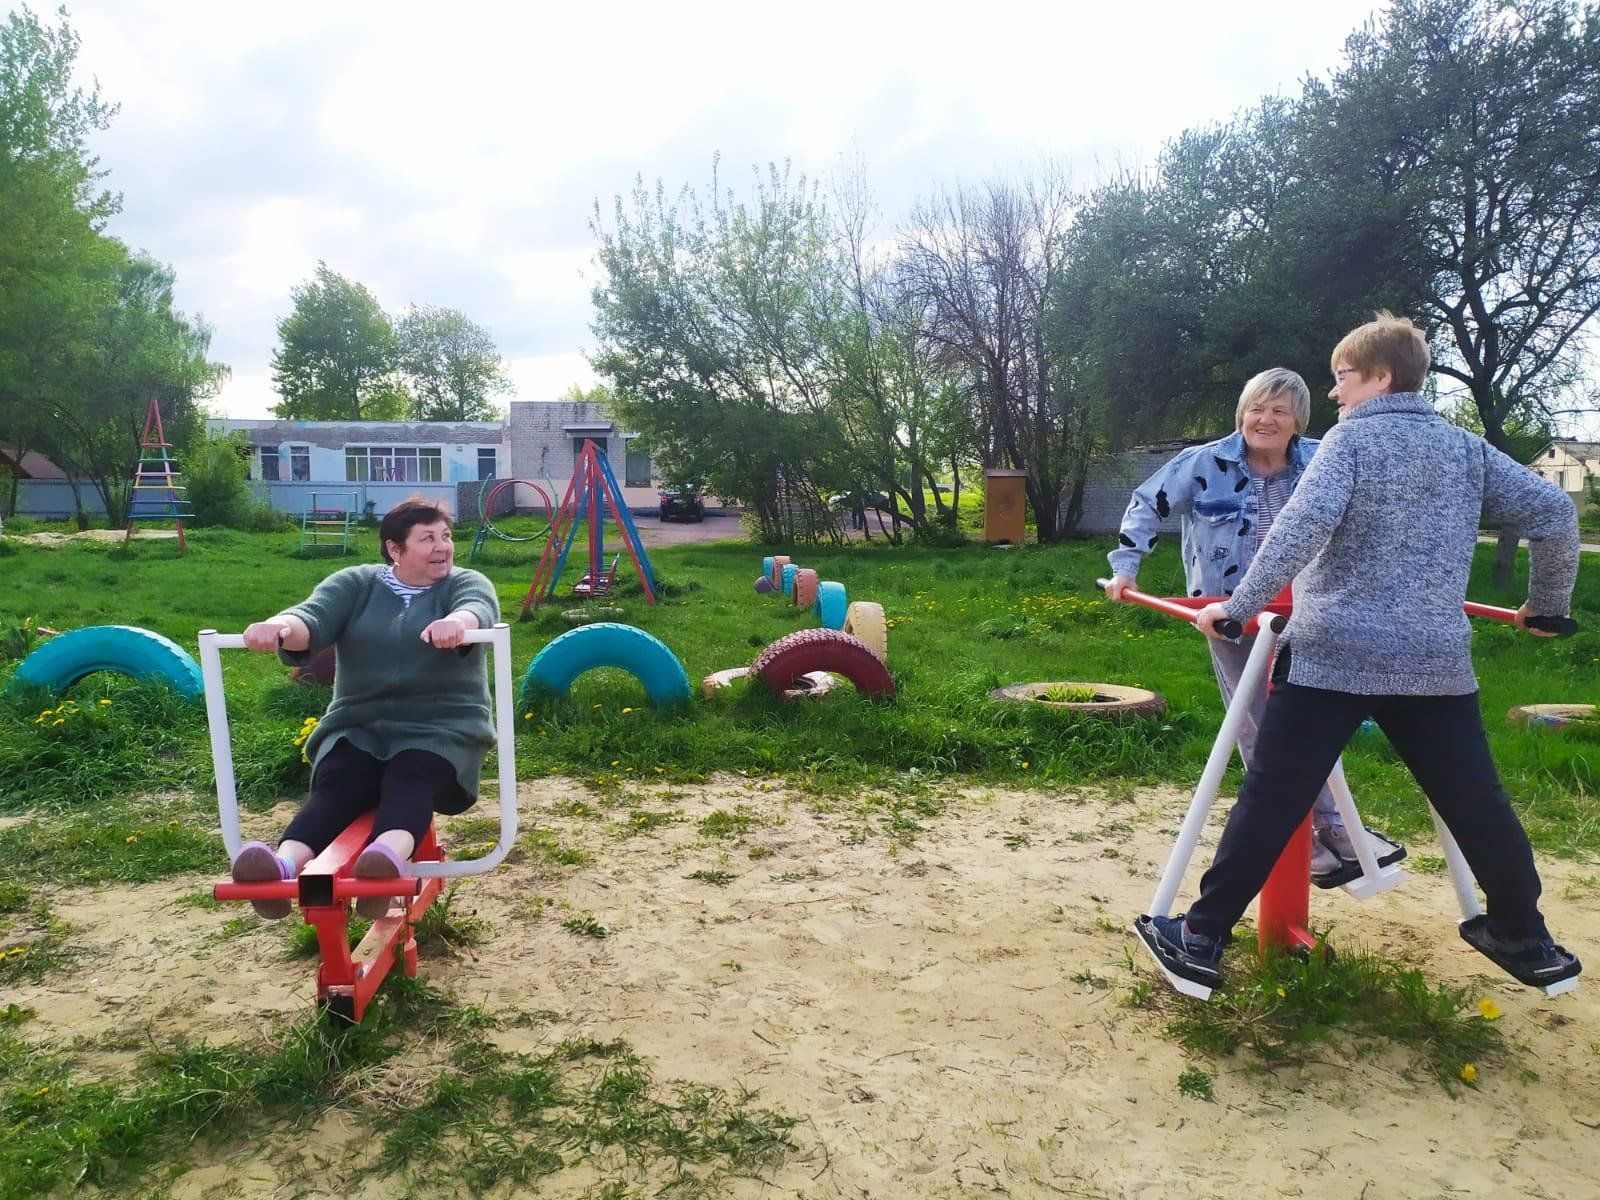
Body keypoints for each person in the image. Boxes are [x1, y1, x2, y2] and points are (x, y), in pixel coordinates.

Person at [1138, 313, 1582, 992]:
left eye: (1343, 378)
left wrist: (1236, 609)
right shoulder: (1464, 449)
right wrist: (1550, 606)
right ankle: (1524, 934)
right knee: (1476, 800)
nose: (1335, 393)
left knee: (1272, 796)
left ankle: (1199, 937)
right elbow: (1555, 512)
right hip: (1434, 661)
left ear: (1379, 376)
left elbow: (1299, 528)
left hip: (1334, 654)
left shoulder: (1350, 444)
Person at [1105, 367, 1404, 885]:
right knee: (1257, 724)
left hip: (1310, 612)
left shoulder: (1322, 460)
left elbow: (1367, 523)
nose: (1264, 419)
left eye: (1279, 411)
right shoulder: (1204, 462)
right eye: (1256, 408)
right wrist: (1126, 569)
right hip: (1232, 615)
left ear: (1298, 421)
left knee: (1310, 725)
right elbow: (1144, 505)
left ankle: (1333, 829)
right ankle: (1304, 837)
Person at [230, 497, 499, 920]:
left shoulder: (463, 583)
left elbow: (477, 610)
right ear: (395, 549)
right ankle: (279, 868)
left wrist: (459, 624)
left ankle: (382, 865)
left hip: (443, 726)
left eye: (445, 536)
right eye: (427, 538)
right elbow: (311, 619)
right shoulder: (357, 584)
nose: (442, 547)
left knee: (411, 776)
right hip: (359, 724)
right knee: (339, 780)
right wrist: (280, 628)